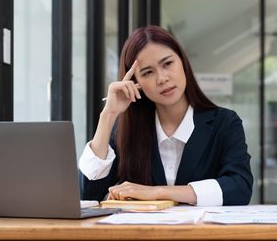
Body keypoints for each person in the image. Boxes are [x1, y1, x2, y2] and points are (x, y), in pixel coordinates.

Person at [79, 26, 253, 206]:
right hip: (144, 234)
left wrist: (158, 192)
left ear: (183, 62)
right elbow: (88, 196)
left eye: (167, 63)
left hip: (203, 233)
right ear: (136, 83)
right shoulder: (125, 131)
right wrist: (108, 114)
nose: (162, 78)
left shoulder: (224, 123)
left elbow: (240, 188)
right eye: (148, 72)